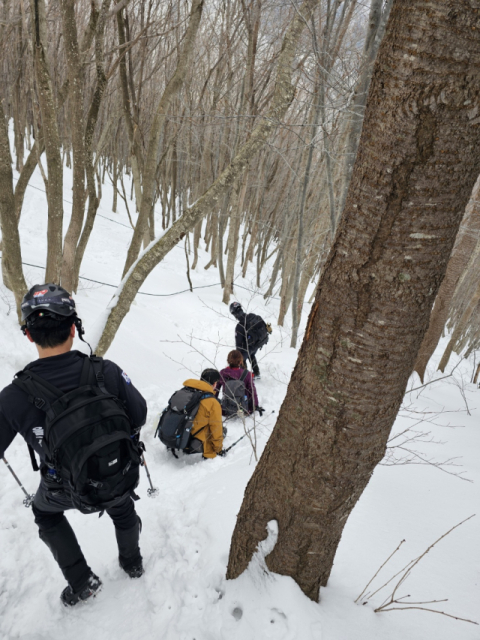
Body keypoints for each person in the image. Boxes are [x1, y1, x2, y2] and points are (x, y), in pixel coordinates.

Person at [0, 284, 147, 607]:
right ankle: (132, 561)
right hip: (115, 473)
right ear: (72, 327)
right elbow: (139, 414)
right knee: (121, 507)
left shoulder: (13, 397)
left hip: (62, 488)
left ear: (28, 335)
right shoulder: (105, 371)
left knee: (45, 515)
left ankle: (82, 582)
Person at [182, 369, 225, 459]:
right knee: (222, 430)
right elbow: (216, 428)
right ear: (214, 384)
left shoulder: (187, 392)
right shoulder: (212, 402)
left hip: (180, 436)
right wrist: (218, 450)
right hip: (193, 444)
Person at [229, 302, 269, 379]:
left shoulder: (239, 326)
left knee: (240, 358)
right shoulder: (252, 316)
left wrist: (238, 355)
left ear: (234, 314)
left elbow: (239, 345)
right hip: (257, 344)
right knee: (251, 355)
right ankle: (256, 373)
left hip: (250, 347)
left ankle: (245, 377)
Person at [217, 350, 263, 416]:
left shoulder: (223, 373)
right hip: (244, 409)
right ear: (241, 362)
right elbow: (252, 391)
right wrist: (255, 406)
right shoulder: (247, 374)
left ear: (228, 361)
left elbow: (216, 390)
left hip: (226, 409)